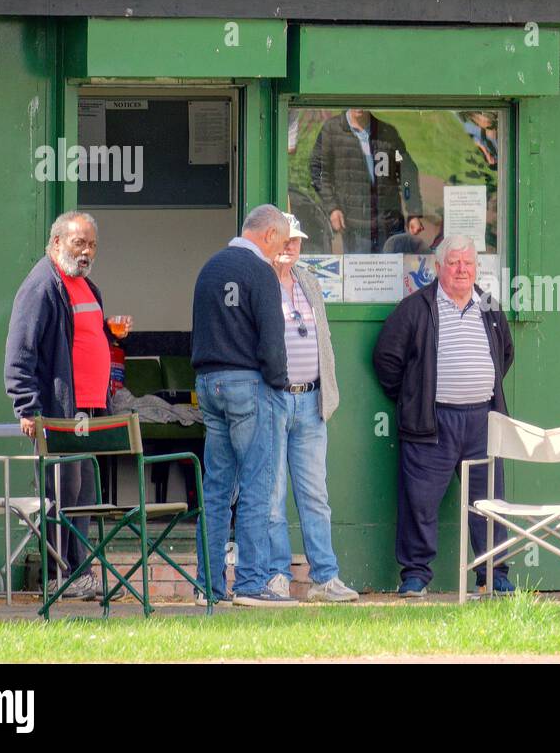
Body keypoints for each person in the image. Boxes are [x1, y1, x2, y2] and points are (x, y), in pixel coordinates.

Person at [372, 235, 515, 597]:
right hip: (431, 422)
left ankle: (493, 573)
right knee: (419, 502)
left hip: (482, 420)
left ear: (476, 268)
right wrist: (413, 396)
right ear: (438, 268)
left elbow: (506, 354)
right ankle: (416, 576)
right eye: (454, 262)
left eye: (468, 262)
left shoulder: (489, 306)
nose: (462, 269)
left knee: (489, 501)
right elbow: (386, 358)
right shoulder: (416, 307)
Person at [5, 211, 115, 601]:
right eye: (78, 243)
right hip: (57, 414)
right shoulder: (42, 286)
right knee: (61, 494)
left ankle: (79, 573)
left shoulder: (86, 286)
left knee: (81, 496)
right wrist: (27, 408)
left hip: (88, 411)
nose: (86, 252)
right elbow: (20, 354)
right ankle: (59, 575)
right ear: (55, 243)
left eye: (91, 245)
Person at [191, 204, 292, 607]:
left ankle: (208, 587)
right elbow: (272, 341)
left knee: (215, 490)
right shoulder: (260, 272)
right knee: (256, 486)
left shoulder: (209, 268)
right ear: (268, 234)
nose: (280, 252)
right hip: (251, 385)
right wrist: (280, 383)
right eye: (281, 243)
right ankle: (251, 584)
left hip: (209, 383)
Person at [264, 213, 358, 603]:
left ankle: (326, 578)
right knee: (272, 493)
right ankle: (275, 576)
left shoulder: (309, 281)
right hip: (273, 399)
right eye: (284, 240)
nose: (291, 248)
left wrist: (327, 394)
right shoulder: (259, 282)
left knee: (315, 494)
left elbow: (324, 338)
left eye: (296, 241)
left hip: (311, 400)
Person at [309, 109, 421, 254]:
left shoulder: (387, 133)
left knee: (392, 274)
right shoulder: (332, 130)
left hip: (389, 225)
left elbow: (408, 173)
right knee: (359, 274)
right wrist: (332, 207)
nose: (358, 106)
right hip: (355, 227)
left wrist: (413, 212)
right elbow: (318, 170)